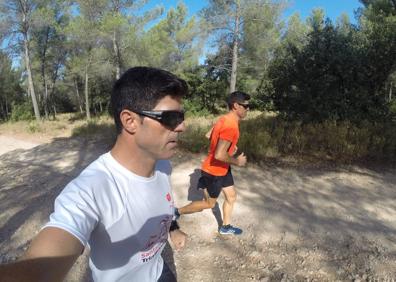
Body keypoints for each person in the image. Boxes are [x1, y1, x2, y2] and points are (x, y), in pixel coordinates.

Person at [0, 66, 188, 282]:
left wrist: (173, 227)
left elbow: (163, 204)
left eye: (181, 116)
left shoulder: (163, 164)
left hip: (160, 272)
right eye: (171, 118)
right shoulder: (89, 190)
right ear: (130, 121)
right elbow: (38, 271)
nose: (182, 126)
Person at [175, 91, 250, 235]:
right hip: (214, 171)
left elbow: (208, 135)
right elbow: (219, 154)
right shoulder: (231, 126)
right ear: (236, 106)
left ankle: (225, 227)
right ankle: (176, 211)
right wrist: (237, 161)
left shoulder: (224, 119)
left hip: (222, 169)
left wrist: (226, 146)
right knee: (209, 204)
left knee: (231, 196)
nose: (248, 109)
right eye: (246, 106)